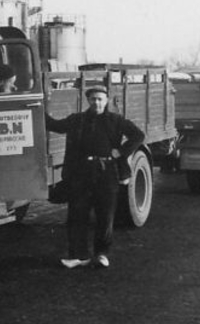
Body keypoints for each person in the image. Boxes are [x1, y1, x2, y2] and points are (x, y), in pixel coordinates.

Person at [45, 85, 145, 269]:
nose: (96, 102)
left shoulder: (115, 120)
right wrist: (36, 110)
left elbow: (138, 135)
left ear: (106, 101)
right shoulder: (78, 120)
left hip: (107, 173)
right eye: (93, 99)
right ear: (88, 101)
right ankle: (78, 256)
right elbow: (55, 126)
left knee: (105, 215)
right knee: (77, 214)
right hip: (81, 173)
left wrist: (121, 152)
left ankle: (102, 254)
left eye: (100, 99)